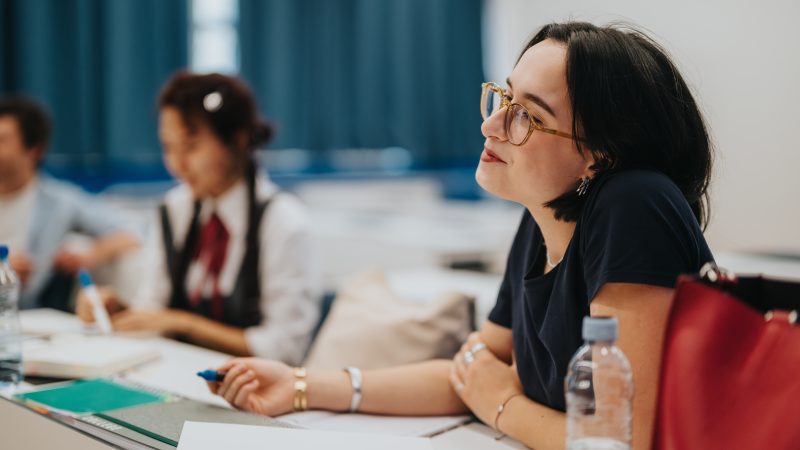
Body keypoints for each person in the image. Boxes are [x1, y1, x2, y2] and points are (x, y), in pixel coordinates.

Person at [205, 21, 714, 450]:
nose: (492, 125)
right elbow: (467, 373)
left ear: (598, 156)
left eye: (528, 117)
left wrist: (501, 402)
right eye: (503, 97)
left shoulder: (634, 203)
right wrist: (299, 386)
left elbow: (620, 441)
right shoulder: (542, 219)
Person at [77, 72, 320, 364]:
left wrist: (183, 323)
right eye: (168, 148)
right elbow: (155, 308)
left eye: (191, 147)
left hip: (256, 392)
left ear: (239, 140)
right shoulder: (174, 210)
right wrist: (118, 310)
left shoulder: (282, 221)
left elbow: (285, 349)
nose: (177, 165)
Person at [0, 96, 141, 310]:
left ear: (33, 150)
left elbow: (136, 231)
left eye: (2, 140)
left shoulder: (60, 202)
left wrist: (91, 254)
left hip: (27, 318)